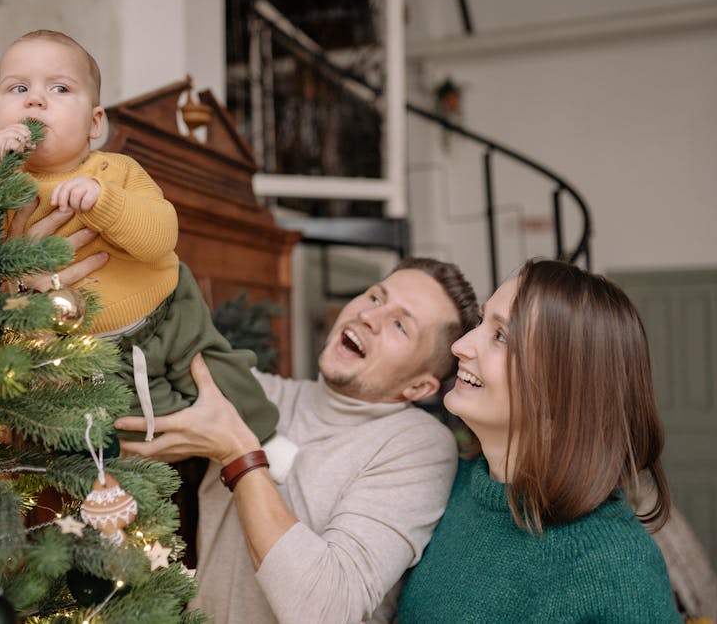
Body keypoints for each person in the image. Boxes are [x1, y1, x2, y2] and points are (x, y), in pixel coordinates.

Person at [0, 29, 295, 473]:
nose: (35, 101)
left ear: (95, 123)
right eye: (17, 88)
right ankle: (205, 455)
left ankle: (267, 438)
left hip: (169, 309)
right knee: (134, 423)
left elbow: (161, 235)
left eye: (59, 88)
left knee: (220, 374)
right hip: (89, 346)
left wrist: (103, 201)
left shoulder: (116, 171)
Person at [117, 257, 481, 624]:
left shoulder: (417, 445)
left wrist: (238, 452)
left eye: (400, 325)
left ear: (419, 386)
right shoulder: (257, 395)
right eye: (375, 297)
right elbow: (123, 412)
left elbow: (326, 610)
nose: (369, 317)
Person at [397, 258, 682, 622]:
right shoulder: (451, 488)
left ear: (563, 389)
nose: (461, 346)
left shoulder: (616, 566)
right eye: (482, 322)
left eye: (501, 336)